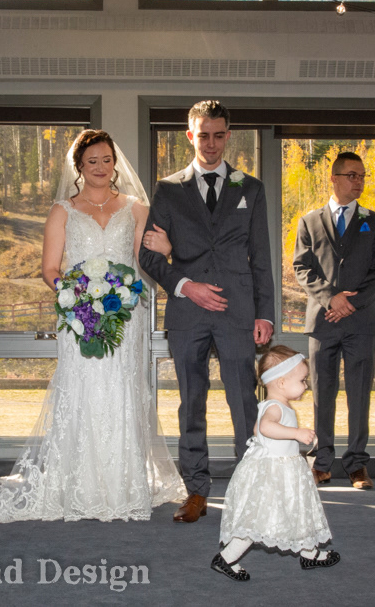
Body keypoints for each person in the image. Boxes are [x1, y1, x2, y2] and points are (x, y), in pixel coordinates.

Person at [0, 129, 185, 522]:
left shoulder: (135, 208)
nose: (100, 168)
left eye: (106, 160)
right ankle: (77, 485)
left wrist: (153, 267)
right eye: (92, 162)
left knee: (122, 391)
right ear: (79, 167)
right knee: (83, 392)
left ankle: (123, 486)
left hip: (124, 316)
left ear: (114, 163)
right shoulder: (62, 211)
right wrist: (80, 295)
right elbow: (50, 269)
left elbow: (145, 264)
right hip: (78, 316)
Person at [139, 100, 275, 523]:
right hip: (188, 315)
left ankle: (251, 490)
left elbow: (261, 257)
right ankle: (196, 491)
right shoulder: (168, 189)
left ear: (228, 135)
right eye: (203, 135)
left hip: (238, 314)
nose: (211, 144)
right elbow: (149, 255)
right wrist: (186, 285)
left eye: (218, 135)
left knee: (244, 405)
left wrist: (265, 314)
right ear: (190, 135)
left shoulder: (249, 188)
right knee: (190, 404)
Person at [293, 151, 375, 489]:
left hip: (360, 322)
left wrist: (353, 303)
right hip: (322, 322)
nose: (358, 181)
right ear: (333, 179)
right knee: (322, 392)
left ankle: (357, 465)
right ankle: (321, 461)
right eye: (352, 175)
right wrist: (329, 298)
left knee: (359, 394)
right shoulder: (309, 221)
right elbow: (302, 267)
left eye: (362, 176)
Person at [212, 346, 339, 581]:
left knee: (297, 511)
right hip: (275, 473)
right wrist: (296, 434)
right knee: (260, 518)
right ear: (281, 383)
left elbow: (256, 431)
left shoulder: (272, 405)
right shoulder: (274, 407)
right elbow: (265, 428)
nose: (306, 385)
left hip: (283, 469)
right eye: (302, 380)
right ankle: (226, 558)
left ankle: (309, 552)